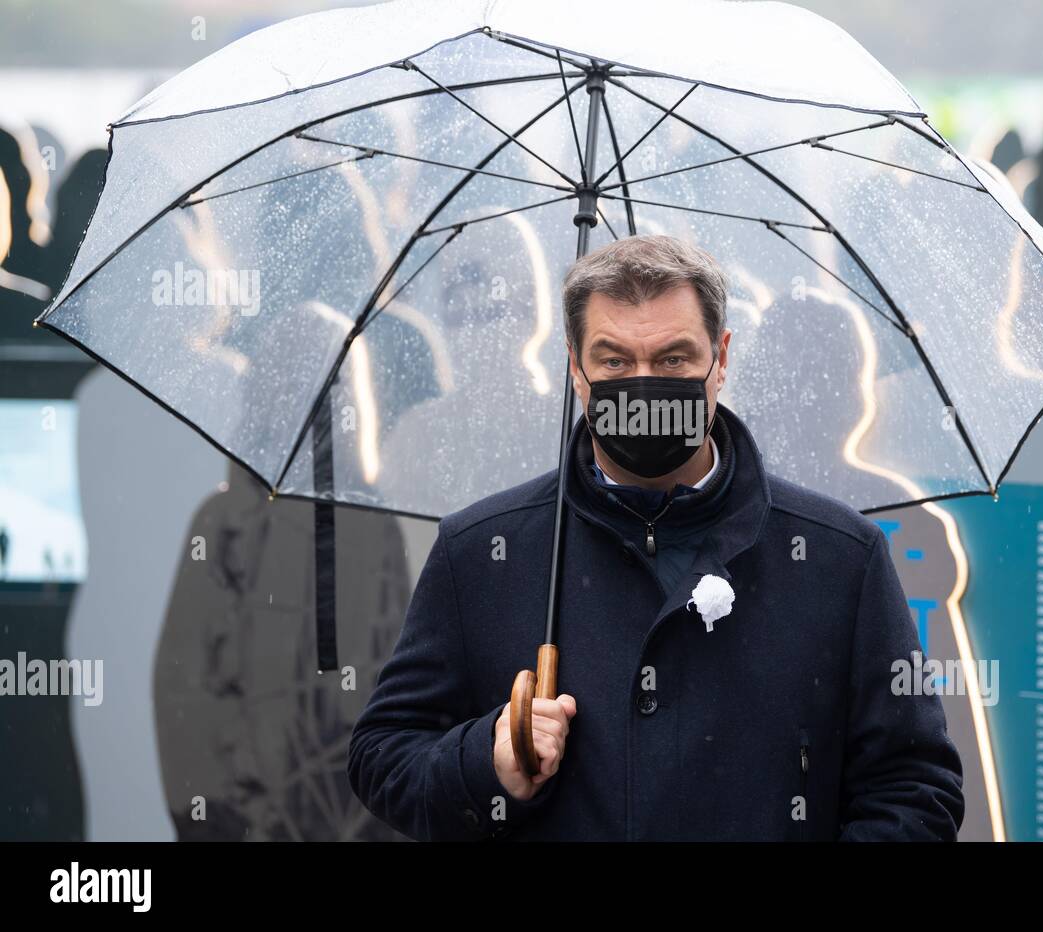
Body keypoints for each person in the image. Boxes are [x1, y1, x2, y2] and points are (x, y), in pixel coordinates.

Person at [348, 234, 964, 841]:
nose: (643, 384)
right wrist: (489, 760)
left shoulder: (838, 559)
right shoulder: (481, 553)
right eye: (615, 361)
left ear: (720, 359)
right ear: (576, 367)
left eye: (672, 359)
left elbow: (915, 788)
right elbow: (383, 756)